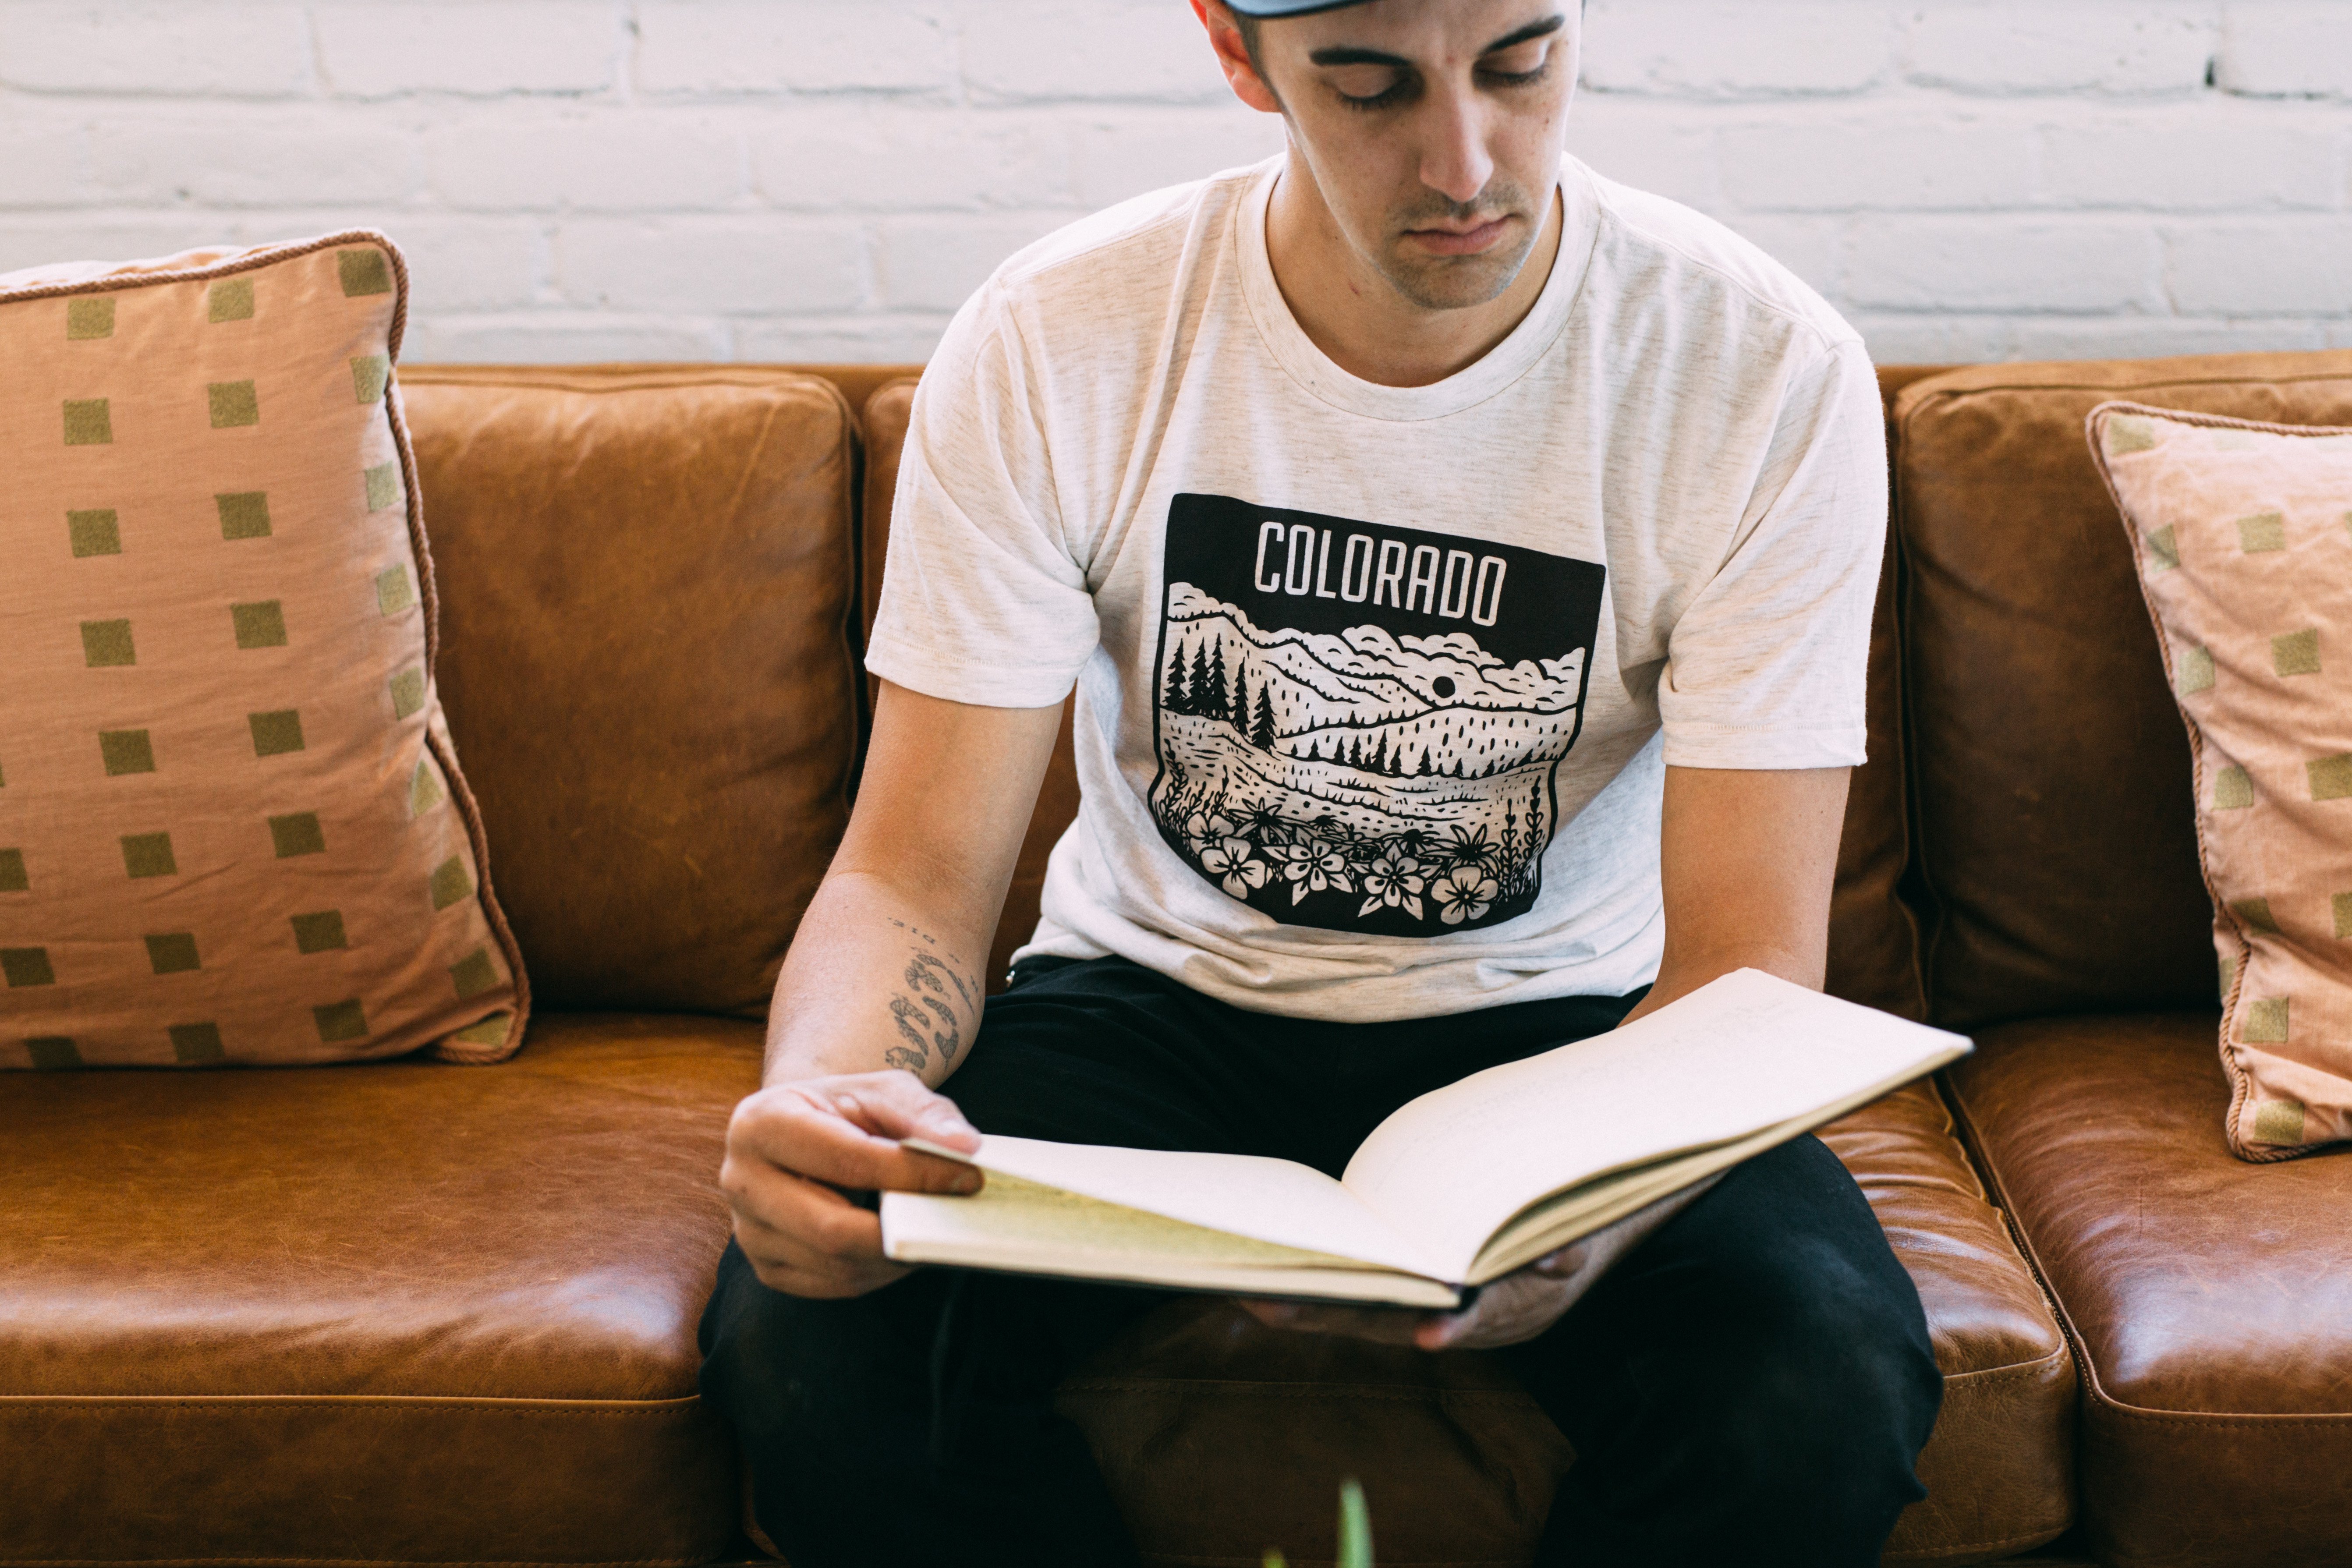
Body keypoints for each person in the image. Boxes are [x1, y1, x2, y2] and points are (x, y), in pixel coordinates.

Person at [698, 1, 1940, 1563]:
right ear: (1240, 53)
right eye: (1370, 87)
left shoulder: (1760, 369)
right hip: (1146, 1008)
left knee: (1818, 1373)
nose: (1467, 161)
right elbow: (910, 876)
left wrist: (1603, 1201)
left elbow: (1748, 963)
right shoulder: (1060, 335)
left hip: (1577, 1033)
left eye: (1520, 64)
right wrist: (824, 1098)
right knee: (804, 1342)